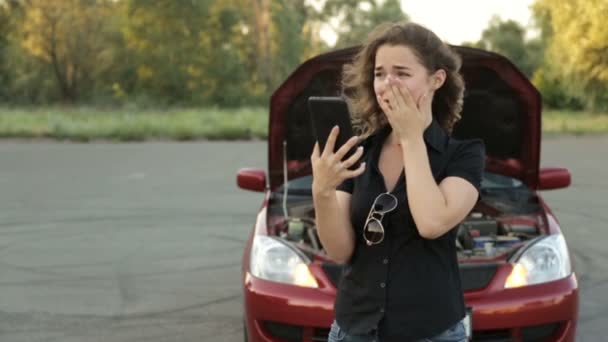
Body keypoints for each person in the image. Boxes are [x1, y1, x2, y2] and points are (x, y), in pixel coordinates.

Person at [310, 21, 485, 342]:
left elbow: (431, 222)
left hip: (430, 331)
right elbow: (340, 251)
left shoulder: (463, 155)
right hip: (354, 329)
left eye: (402, 73)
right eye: (379, 73)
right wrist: (321, 191)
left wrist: (411, 137)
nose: (387, 83)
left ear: (436, 80)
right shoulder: (359, 151)